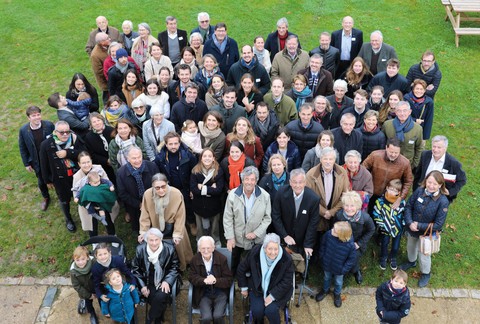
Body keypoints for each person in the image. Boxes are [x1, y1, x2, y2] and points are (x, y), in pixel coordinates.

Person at [398, 170, 449, 287]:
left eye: (435, 184)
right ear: (425, 181)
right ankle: (411, 262)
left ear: (440, 185)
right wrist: (410, 222)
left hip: (427, 233)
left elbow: (438, 224)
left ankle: (426, 273)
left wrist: (419, 225)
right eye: (429, 182)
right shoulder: (419, 191)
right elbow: (409, 206)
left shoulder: (443, 201)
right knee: (410, 247)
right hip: (412, 228)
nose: (431, 186)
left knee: (424, 255)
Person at [138, 173, 193, 271]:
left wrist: (177, 234)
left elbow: (180, 215)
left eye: (163, 186)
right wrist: (143, 232)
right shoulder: (147, 194)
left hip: (175, 225)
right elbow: (145, 215)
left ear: (167, 183)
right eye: (157, 188)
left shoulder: (176, 193)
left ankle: (183, 265)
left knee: (179, 248)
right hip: (157, 226)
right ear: (153, 187)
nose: (161, 190)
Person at [237, 233, 294, 324]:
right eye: (270, 249)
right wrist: (243, 287)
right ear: (264, 248)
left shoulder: (287, 259)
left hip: (278, 290)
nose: (273, 252)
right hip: (258, 288)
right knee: (257, 311)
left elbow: (287, 281)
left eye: (276, 249)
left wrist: (272, 296)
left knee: (270, 311)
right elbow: (241, 269)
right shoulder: (255, 253)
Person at [39, 121, 86, 232]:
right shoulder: (46, 144)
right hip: (60, 179)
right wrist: (47, 181)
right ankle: (68, 219)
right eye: (62, 132)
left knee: (83, 194)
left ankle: (87, 212)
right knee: (64, 200)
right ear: (55, 132)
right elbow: (43, 164)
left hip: (77, 175)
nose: (65, 134)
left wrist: (68, 153)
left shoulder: (75, 138)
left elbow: (84, 153)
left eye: (67, 132)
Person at [223, 166, 271, 273]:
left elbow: (267, 218)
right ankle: (233, 280)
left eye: (252, 179)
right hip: (237, 236)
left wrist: (256, 233)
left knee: (255, 264)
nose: (249, 182)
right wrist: (230, 237)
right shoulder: (232, 195)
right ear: (242, 180)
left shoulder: (265, 196)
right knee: (233, 263)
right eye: (247, 179)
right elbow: (227, 218)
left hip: (256, 238)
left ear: (256, 181)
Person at [131, 228, 180, 324]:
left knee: (161, 295)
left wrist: (167, 281)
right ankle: (158, 319)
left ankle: (149, 319)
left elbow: (175, 267)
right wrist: (142, 286)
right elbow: (135, 269)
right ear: (146, 240)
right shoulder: (140, 249)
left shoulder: (170, 249)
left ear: (161, 239)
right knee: (153, 297)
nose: (154, 243)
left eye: (156, 240)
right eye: (151, 240)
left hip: (164, 280)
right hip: (148, 281)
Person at [154, 132, 198, 235]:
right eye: (170, 144)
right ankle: (174, 225)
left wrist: (192, 188)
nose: (173, 146)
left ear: (179, 143)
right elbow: (158, 174)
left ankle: (191, 223)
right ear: (166, 144)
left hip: (185, 187)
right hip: (169, 188)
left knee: (188, 206)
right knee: (171, 207)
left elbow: (195, 172)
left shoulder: (187, 155)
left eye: (175, 144)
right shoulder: (160, 158)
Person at [272, 168, 320, 258]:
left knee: (299, 264)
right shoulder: (281, 193)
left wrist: (308, 245)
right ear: (290, 182)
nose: (297, 185)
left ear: (305, 182)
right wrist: (285, 236)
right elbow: (276, 216)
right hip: (284, 235)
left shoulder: (313, 199)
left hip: (302, 238)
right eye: (294, 182)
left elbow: (313, 224)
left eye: (300, 182)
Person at [72, 152, 119, 237]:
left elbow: (107, 183)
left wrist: (99, 197)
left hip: (103, 200)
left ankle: (112, 235)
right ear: (79, 164)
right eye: (83, 163)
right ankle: (94, 241)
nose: (87, 165)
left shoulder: (98, 168)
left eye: (88, 161)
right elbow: (76, 194)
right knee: (91, 223)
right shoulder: (77, 177)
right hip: (88, 204)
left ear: (91, 161)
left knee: (108, 219)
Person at [362, 138, 413, 214]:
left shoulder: (405, 163)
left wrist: (400, 198)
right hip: (372, 193)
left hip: (391, 196)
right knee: (369, 214)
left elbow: (408, 181)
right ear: (386, 148)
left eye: (396, 153)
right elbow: (363, 169)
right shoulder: (375, 155)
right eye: (391, 152)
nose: (393, 155)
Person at [189, 236, 233, 324]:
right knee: (206, 317)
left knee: (218, 316)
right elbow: (192, 277)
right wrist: (203, 280)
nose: (206, 251)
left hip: (220, 293)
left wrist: (215, 280)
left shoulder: (221, 259)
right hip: (203, 294)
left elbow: (228, 280)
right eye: (203, 248)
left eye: (208, 248)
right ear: (199, 249)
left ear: (213, 248)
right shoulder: (194, 260)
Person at [334, 191, 375, 285]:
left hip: (356, 244)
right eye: (346, 205)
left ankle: (356, 271)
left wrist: (359, 243)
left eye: (352, 206)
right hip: (341, 242)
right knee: (340, 258)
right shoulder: (339, 215)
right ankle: (339, 270)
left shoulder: (365, 218)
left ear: (358, 206)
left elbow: (371, 230)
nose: (349, 209)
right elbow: (334, 227)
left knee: (353, 259)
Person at [19, 106, 55, 211]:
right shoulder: (23, 130)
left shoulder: (48, 125)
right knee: (41, 180)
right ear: (28, 118)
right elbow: (22, 147)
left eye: (38, 114)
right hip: (37, 160)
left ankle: (60, 193)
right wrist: (26, 163)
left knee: (55, 175)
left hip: (50, 158)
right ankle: (46, 197)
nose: (36, 117)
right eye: (33, 116)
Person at [306, 147, 349, 233]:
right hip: (316, 217)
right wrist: (324, 212)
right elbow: (308, 198)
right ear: (321, 159)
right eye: (325, 159)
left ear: (334, 160)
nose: (328, 162)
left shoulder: (342, 172)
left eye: (330, 159)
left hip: (336, 216)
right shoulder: (311, 174)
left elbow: (345, 196)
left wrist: (332, 212)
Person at [413, 135, 467, 203]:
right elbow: (418, 174)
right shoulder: (425, 155)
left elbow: (462, 180)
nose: (435, 150)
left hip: (440, 197)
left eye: (439, 147)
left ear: (445, 148)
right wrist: (415, 191)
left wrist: (450, 192)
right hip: (423, 191)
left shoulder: (454, 163)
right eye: (434, 146)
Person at [315, 221, 357, 308]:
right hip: (327, 263)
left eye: (335, 230)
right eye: (333, 228)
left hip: (339, 268)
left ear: (342, 235)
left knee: (338, 282)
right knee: (326, 277)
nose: (331, 230)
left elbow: (351, 259)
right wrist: (322, 256)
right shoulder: (328, 235)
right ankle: (325, 290)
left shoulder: (350, 245)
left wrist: (343, 270)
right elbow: (322, 244)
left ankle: (337, 293)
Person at [116, 147, 159, 231]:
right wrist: (139, 204)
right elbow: (122, 193)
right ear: (128, 159)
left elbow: (159, 184)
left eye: (139, 157)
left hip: (153, 201)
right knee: (139, 227)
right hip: (134, 205)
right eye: (134, 158)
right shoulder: (121, 173)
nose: (137, 160)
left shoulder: (152, 166)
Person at [190, 149, 225, 245]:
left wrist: (202, 187)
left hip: (214, 204)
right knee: (200, 226)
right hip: (199, 204)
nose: (207, 158)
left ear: (214, 158)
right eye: (204, 156)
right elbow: (194, 190)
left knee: (214, 226)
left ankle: (216, 240)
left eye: (210, 156)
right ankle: (200, 241)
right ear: (201, 158)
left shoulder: (218, 171)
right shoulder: (195, 171)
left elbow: (218, 190)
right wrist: (211, 189)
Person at [373, 179, 406, 271]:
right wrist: (382, 225)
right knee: (385, 243)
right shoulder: (380, 201)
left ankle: (393, 257)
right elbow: (376, 214)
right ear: (387, 188)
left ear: (398, 192)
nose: (391, 192)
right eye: (390, 189)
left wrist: (403, 224)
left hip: (397, 228)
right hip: (385, 228)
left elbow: (405, 214)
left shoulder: (401, 203)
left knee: (395, 245)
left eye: (394, 191)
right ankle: (383, 257)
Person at [382, 101, 424, 168]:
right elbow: (382, 143)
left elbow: (419, 148)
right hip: (388, 162)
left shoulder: (417, 129)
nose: (402, 113)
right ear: (395, 112)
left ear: (409, 112)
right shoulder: (387, 125)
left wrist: (414, 164)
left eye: (405, 111)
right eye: (399, 111)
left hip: (406, 164)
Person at [70, 246, 98, 324]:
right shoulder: (73, 272)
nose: (80, 262)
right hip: (85, 291)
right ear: (74, 260)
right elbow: (76, 286)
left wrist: (99, 289)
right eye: (77, 260)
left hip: (96, 287)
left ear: (88, 258)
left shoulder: (93, 262)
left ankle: (105, 310)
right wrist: (89, 295)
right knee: (88, 303)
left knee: (102, 299)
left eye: (83, 259)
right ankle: (92, 313)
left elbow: (99, 273)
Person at [90, 32, 111, 104]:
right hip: (106, 82)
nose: (110, 39)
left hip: (113, 78)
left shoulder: (108, 46)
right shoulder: (95, 55)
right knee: (108, 99)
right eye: (107, 39)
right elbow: (99, 71)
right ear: (102, 42)